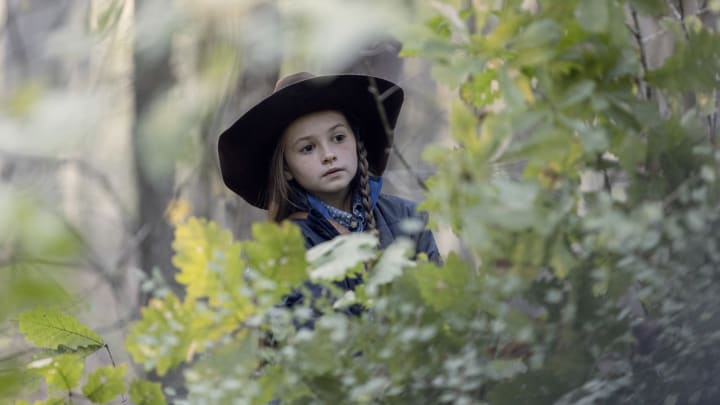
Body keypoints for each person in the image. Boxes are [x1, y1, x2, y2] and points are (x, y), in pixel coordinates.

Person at [217, 72, 440, 316]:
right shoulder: (280, 252)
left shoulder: (408, 219)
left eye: (338, 137)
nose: (328, 154)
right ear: (286, 168)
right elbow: (277, 340)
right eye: (308, 148)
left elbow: (441, 309)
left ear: (357, 142)